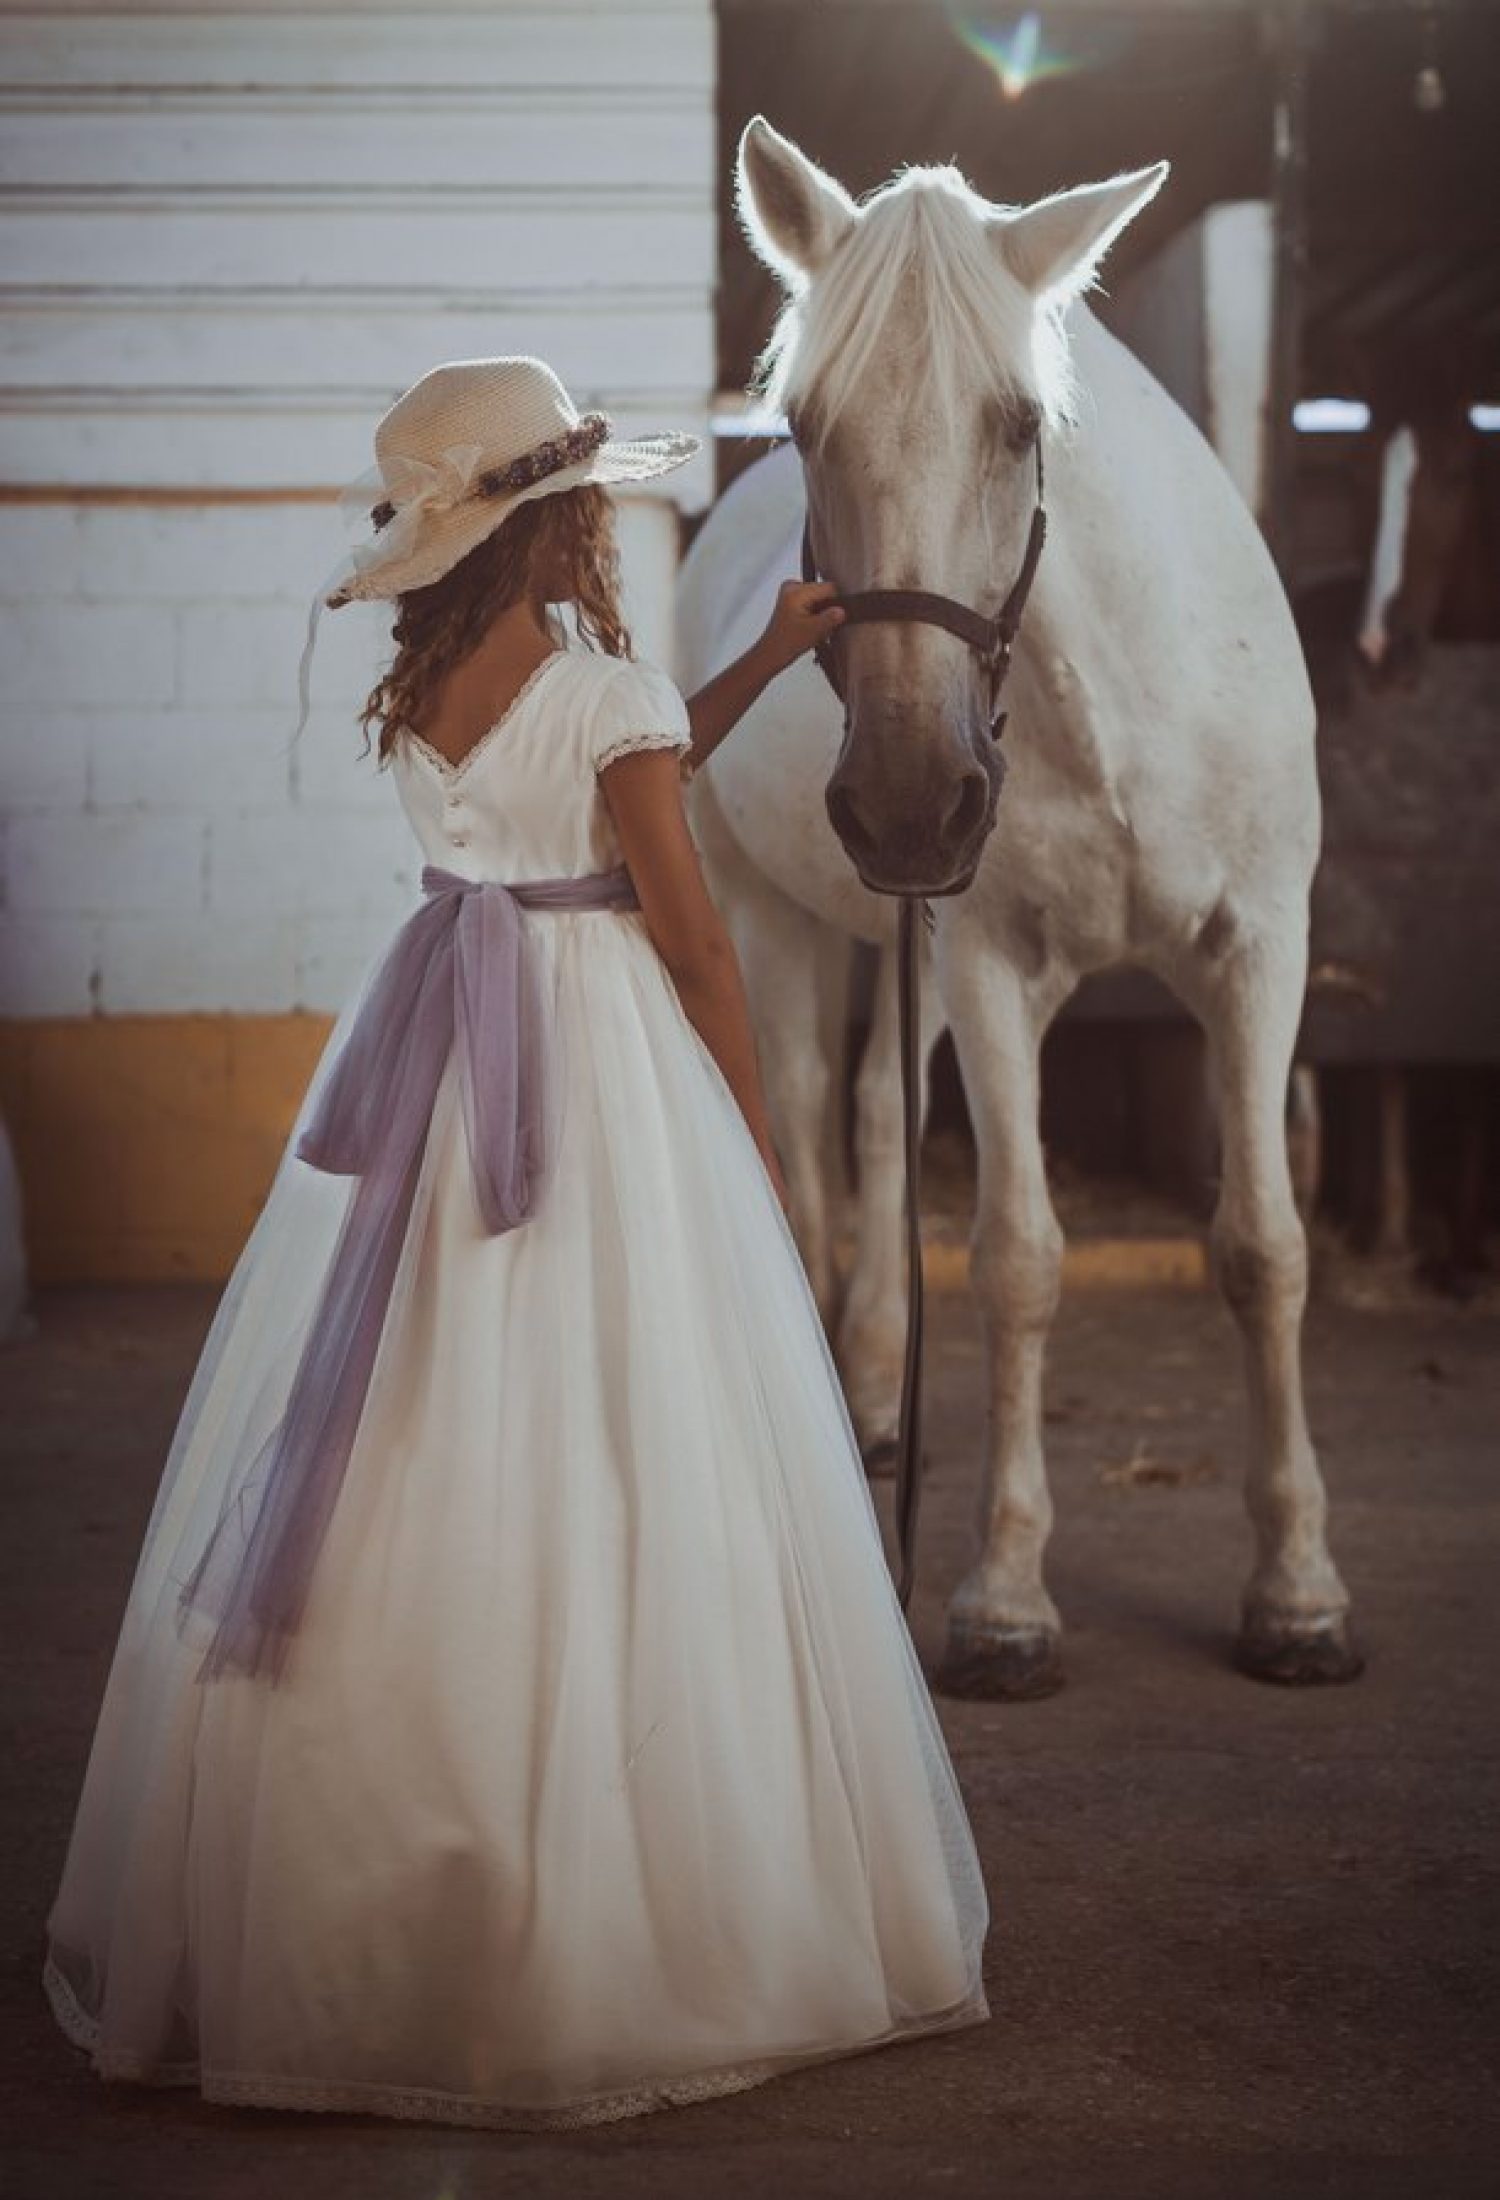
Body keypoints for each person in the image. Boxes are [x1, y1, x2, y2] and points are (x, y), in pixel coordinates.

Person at [41, 356, 991, 2131]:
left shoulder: (427, 693)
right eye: (585, 502)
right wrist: (759, 1162)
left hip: (442, 1044)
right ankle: (605, 1918)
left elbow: (602, 780)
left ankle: (355, 1875)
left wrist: (777, 652)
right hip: (598, 1065)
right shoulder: (600, 686)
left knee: (396, 1409)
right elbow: (687, 932)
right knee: (630, 1429)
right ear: (553, 520)